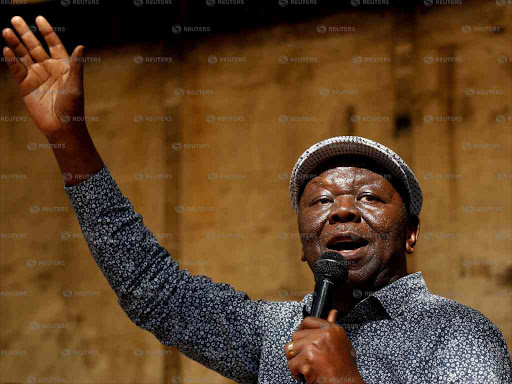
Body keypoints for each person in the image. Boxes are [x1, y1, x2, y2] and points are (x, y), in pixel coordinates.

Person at [2, 15, 511, 384]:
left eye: (368, 195)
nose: (341, 208)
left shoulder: (457, 333)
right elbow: (152, 289)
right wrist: (69, 141)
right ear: (302, 243)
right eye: (319, 202)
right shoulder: (275, 334)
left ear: (413, 231)